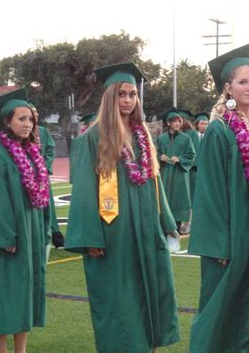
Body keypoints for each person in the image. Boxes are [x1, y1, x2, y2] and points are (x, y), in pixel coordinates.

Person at [65, 62, 180, 352]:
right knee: (120, 302)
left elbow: (155, 182)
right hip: (113, 234)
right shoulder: (92, 138)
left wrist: (165, 222)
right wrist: (90, 237)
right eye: (121, 94)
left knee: (153, 293)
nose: (128, 100)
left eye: (132, 94)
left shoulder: (142, 136)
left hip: (145, 228)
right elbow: (83, 190)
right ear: (109, 97)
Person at [188, 43, 249, 352]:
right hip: (233, 236)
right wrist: (219, 243)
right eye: (243, 81)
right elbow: (210, 191)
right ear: (227, 87)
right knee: (224, 307)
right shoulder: (219, 131)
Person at [0, 88, 51, 353]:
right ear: (7, 122)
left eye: (30, 119)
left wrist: (45, 228)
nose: (27, 124)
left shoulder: (33, 153)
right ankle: (1, 350)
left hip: (31, 233)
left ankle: (21, 350)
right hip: (9, 238)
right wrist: (5, 235)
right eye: (21, 119)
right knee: (6, 293)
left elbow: (43, 196)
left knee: (26, 292)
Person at [29, 103, 65, 250]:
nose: (36, 115)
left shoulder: (43, 132)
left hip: (42, 176)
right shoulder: (20, 133)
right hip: (27, 177)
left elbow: (50, 150)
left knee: (48, 206)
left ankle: (55, 235)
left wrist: (43, 166)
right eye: (33, 113)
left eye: (37, 113)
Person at [156, 107, 196, 232]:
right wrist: (159, 157)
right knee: (165, 198)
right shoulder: (161, 139)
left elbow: (191, 155)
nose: (178, 123)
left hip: (179, 174)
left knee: (179, 199)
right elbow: (153, 154)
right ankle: (164, 228)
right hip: (165, 173)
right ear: (168, 123)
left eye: (179, 121)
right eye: (174, 121)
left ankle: (177, 228)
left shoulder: (186, 138)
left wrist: (180, 159)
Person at [69, 112, 96, 184]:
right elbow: (74, 159)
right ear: (87, 126)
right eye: (93, 123)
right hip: (84, 172)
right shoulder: (79, 140)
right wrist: (74, 176)